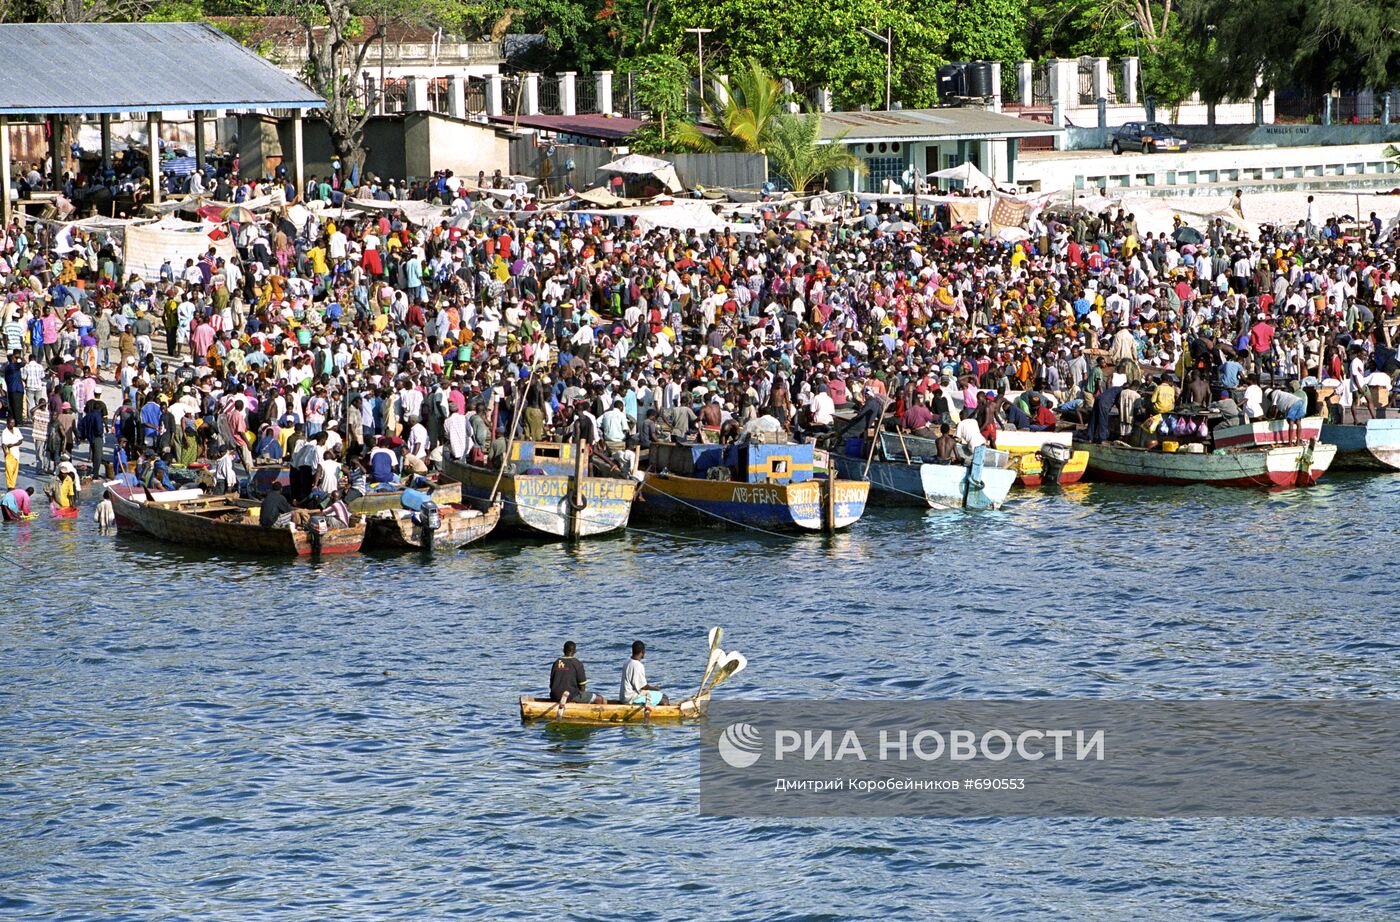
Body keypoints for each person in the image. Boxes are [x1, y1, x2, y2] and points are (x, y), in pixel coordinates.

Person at [549, 640, 604, 709]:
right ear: (575, 651)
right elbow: (582, 685)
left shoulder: (556, 662)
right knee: (599, 699)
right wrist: (580, 698)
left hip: (555, 696)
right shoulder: (577, 663)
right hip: (570, 696)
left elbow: (551, 684)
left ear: (563, 650)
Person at [620, 640, 668, 706]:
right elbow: (643, 687)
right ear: (643, 652)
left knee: (658, 696)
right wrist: (655, 689)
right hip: (630, 698)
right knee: (664, 698)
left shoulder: (627, 662)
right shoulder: (638, 665)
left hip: (623, 697)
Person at [2, 417, 22, 489]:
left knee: (15, 470)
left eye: (13, 423)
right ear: (7, 423)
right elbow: (3, 444)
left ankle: (12, 484)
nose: (12, 424)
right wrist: (5, 453)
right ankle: (10, 486)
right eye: (11, 423)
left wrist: (13, 445)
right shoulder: (5, 432)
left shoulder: (17, 430)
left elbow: (20, 441)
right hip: (9, 453)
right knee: (9, 471)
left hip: (16, 452)